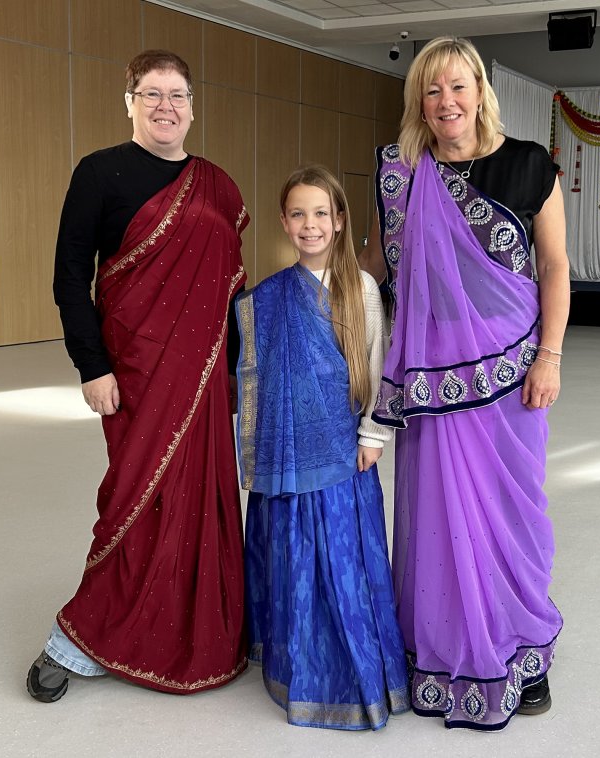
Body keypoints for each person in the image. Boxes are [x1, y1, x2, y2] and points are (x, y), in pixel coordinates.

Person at [358, 36, 571, 731]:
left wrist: (551, 357)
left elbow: (555, 268)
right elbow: (376, 268)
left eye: (457, 86)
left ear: (479, 87)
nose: (445, 102)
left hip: (511, 372)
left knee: (513, 513)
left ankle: (521, 649)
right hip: (429, 373)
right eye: (431, 90)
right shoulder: (401, 172)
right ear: (418, 101)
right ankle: (437, 650)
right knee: (435, 518)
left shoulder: (528, 163)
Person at [26, 50, 250, 702]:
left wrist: (242, 378)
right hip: (133, 370)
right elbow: (71, 278)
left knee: (198, 502)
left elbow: (235, 293)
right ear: (129, 101)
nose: (164, 107)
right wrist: (90, 365)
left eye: (177, 94)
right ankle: (86, 636)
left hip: (203, 380)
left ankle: (199, 626)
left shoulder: (220, 185)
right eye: (150, 94)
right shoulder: (99, 173)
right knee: (133, 499)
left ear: (192, 104)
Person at [234, 165, 410, 730]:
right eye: (297, 213)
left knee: (340, 558)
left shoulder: (360, 288)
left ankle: (353, 667)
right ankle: (293, 658)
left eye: (321, 213)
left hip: (343, 450)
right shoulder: (269, 297)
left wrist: (373, 434)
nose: (309, 225)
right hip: (289, 457)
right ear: (284, 221)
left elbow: (378, 362)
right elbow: (253, 375)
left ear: (339, 221)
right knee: (294, 553)